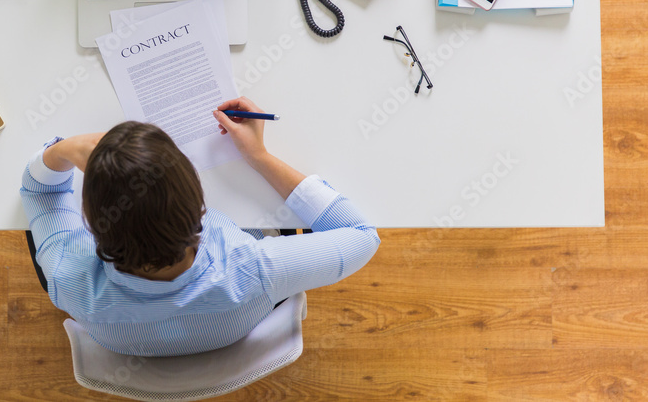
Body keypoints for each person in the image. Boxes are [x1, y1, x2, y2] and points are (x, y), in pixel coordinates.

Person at [21, 97, 380, 357]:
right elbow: (363, 235)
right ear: (198, 201)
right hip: (231, 327)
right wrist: (259, 157)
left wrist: (63, 149)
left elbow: (39, 191)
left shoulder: (68, 278)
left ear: (93, 221)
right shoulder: (256, 268)